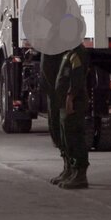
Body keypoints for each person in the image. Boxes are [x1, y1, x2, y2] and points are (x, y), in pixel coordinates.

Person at [55, 42, 90, 189]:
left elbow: (77, 79)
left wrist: (70, 98)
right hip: (64, 102)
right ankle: (69, 169)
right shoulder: (68, 53)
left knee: (75, 136)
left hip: (74, 102)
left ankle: (79, 174)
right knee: (66, 136)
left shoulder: (78, 53)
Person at [41, 52, 67, 184]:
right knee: (56, 129)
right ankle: (67, 168)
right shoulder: (49, 47)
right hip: (54, 94)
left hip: (60, 94)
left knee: (67, 134)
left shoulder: (67, 51)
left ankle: (73, 170)